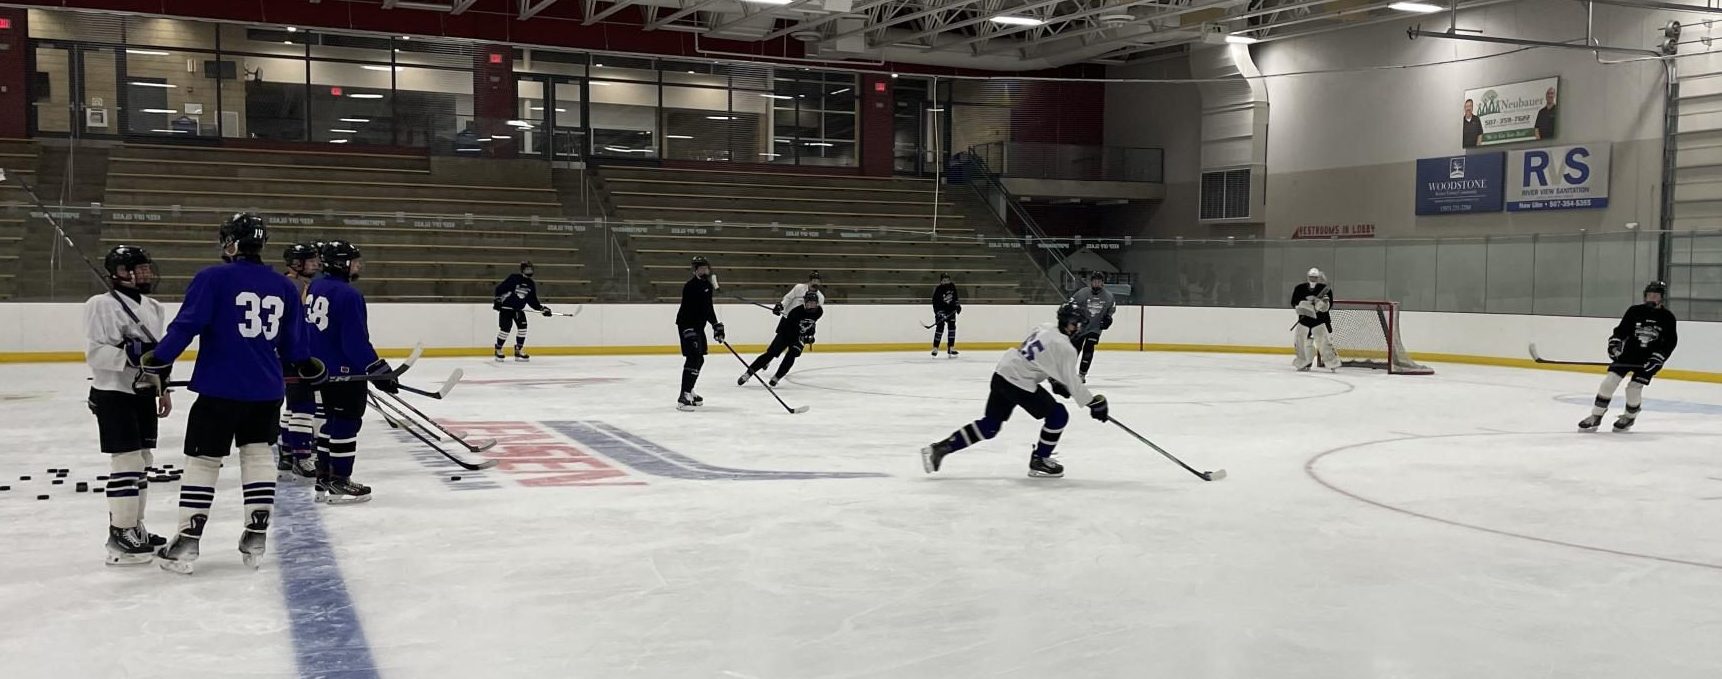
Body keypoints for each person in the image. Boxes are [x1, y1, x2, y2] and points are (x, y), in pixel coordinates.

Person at [138, 213, 322, 574]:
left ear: (231, 243)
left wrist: (159, 359)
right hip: (267, 390)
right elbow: (296, 348)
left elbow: (187, 325)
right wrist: (306, 365)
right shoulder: (285, 286)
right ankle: (256, 534)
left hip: (219, 388)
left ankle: (187, 542)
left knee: (203, 461)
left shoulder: (213, 278)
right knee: (257, 456)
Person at [920, 303, 1110, 479]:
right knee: (1058, 415)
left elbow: (1039, 356)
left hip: (1003, 372)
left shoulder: (1045, 327)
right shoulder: (1066, 348)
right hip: (1020, 382)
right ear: (1067, 322)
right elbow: (1073, 383)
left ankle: (940, 448)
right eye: (1076, 323)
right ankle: (1040, 460)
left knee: (990, 425)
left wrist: (1054, 379)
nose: (1078, 328)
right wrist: (1094, 403)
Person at [84, 245, 172, 565]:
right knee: (127, 460)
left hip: (144, 393)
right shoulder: (101, 305)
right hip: (113, 392)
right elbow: (95, 353)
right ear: (121, 272)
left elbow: (156, 360)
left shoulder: (153, 307)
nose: (147, 274)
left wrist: (163, 388)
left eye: (147, 268)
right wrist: (128, 354)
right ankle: (120, 533)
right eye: (140, 268)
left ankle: (135, 526)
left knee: (144, 459)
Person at [307, 240, 396, 504]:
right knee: (346, 423)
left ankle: (324, 476)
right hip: (345, 371)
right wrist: (377, 369)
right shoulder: (349, 295)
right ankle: (340, 481)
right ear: (342, 263)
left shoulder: (317, 286)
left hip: (321, 370)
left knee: (331, 421)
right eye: (355, 260)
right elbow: (354, 341)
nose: (359, 265)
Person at [1580, 281, 1678, 432]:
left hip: (1649, 360)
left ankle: (1629, 417)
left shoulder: (1668, 317)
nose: (1651, 297)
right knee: (1609, 382)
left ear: (1662, 298)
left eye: (1656, 295)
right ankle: (1596, 416)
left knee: (1633, 389)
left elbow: (1670, 342)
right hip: (1628, 355)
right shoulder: (1634, 311)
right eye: (1649, 294)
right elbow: (1621, 331)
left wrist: (1657, 359)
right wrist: (1614, 344)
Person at [276, 243, 321, 481]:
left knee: (293, 405)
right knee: (304, 406)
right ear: (296, 263)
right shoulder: (295, 285)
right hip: (293, 354)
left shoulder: (287, 283)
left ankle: (286, 452)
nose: (315, 264)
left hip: (284, 353)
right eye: (310, 260)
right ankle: (302, 457)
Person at [739, 290, 822, 388]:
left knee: (792, 354)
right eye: (810, 303)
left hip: (798, 336)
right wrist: (804, 336)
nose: (812, 305)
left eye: (814, 303)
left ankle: (777, 377)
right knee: (771, 354)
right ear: (805, 302)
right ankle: (748, 373)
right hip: (786, 333)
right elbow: (791, 328)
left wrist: (810, 335)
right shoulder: (795, 312)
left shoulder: (819, 312)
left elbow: (811, 325)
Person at [676, 256, 724, 411]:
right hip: (687, 325)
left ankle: (689, 389)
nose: (704, 271)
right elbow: (689, 310)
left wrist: (715, 325)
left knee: (700, 359)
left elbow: (708, 308)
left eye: (706, 268)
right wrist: (688, 330)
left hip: (698, 327)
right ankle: (683, 396)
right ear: (695, 270)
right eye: (701, 268)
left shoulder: (707, 286)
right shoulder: (690, 286)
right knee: (693, 357)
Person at [493, 260, 551, 362]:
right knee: (505, 329)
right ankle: (498, 349)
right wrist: (498, 300)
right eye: (527, 269)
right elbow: (500, 289)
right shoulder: (514, 278)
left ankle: (518, 350)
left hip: (518, 310)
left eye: (531, 269)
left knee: (523, 327)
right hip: (506, 309)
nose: (529, 271)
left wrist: (542, 309)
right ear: (522, 270)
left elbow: (532, 300)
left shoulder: (531, 284)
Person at [1066, 271, 1116, 380]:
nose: (1096, 284)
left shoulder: (1108, 296)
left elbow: (1111, 310)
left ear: (1103, 283)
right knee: (1075, 349)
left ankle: (1082, 374)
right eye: (1094, 281)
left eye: (1099, 281)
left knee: (1089, 349)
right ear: (1091, 282)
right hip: (1080, 327)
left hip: (1095, 328)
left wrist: (1108, 319)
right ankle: (1068, 372)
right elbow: (1071, 305)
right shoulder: (1082, 293)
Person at [1291, 267, 1337, 372]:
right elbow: (1294, 302)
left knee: (1324, 343)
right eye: (1311, 277)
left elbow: (1328, 305)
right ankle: (1306, 363)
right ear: (1308, 277)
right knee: (1306, 344)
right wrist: (1304, 307)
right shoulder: (1299, 288)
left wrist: (1320, 305)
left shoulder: (1325, 289)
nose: (1313, 279)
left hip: (1320, 321)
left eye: (1315, 277)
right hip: (1305, 321)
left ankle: (1332, 363)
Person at [931, 273, 961, 357]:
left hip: (951, 311)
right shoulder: (938, 289)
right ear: (941, 281)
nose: (946, 282)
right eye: (944, 280)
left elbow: (955, 297)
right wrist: (939, 313)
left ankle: (951, 347)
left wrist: (957, 305)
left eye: (947, 280)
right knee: (940, 328)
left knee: (952, 328)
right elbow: (935, 303)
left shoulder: (952, 286)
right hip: (940, 311)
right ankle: (935, 347)